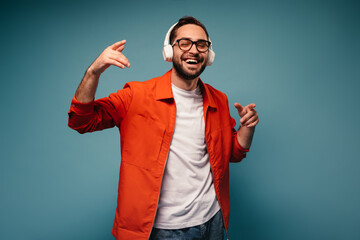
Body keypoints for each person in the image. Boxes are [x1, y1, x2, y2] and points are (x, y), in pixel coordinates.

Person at [68, 16, 259, 240]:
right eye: (184, 43)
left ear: (209, 55)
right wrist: (93, 72)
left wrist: (248, 128)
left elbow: (232, 155)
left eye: (201, 44)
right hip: (163, 230)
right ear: (169, 51)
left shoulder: (218, 99)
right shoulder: (136, 95)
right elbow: (81, 121)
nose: (194, 50)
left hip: (213, 221)